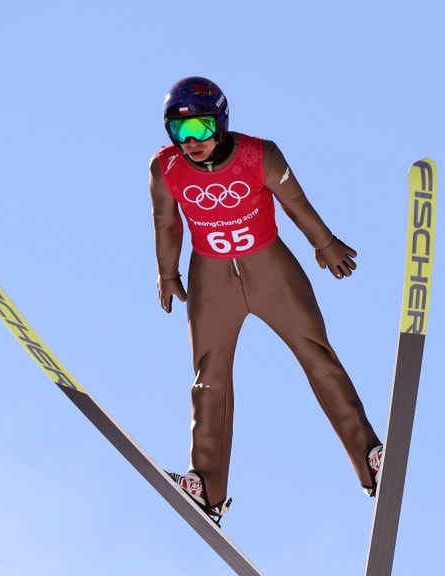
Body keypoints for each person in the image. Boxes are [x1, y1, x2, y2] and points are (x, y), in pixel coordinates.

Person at [150, 77, 382, 523]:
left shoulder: (260, 155)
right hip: (211, 275)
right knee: (209, 377)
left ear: (220, 123)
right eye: (180, 133)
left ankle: (370, 457)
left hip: (270, 268)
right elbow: (166, 223)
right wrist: (166, 272)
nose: (191, 142)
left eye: (199, 128)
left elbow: (296, 203)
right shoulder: (165, 169)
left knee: (316, 354)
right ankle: (206, 486)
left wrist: (324, 242)